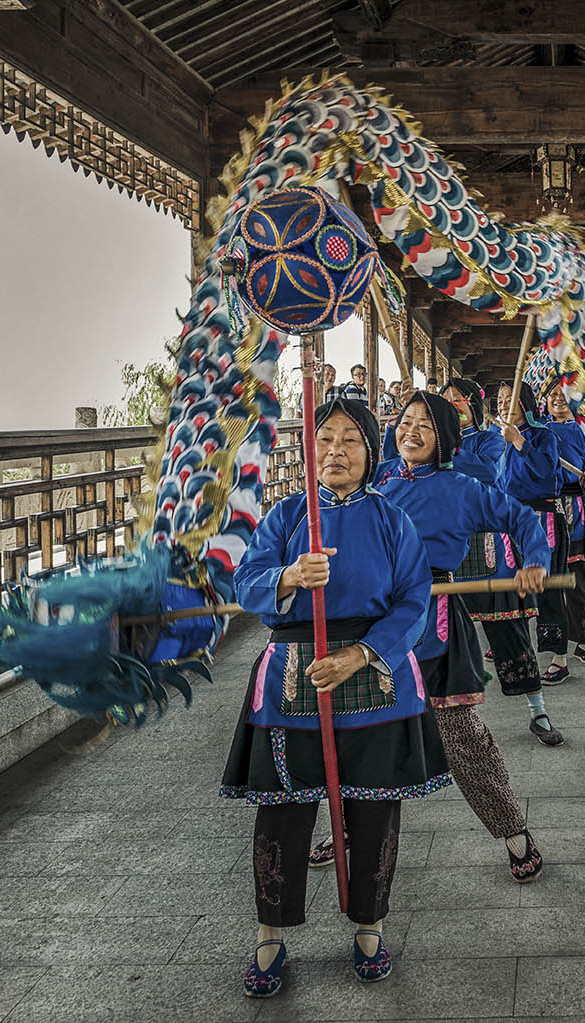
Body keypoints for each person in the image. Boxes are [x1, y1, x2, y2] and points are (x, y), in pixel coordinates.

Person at [222, 396, 450, 994]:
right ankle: (270, 937)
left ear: (371, 453)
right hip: (293, 679)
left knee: (373, 811)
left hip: (371, 673)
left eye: (350, 439)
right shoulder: (288, 515)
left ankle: (369, 926)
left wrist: (358, 654)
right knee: (284, 814)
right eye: (324, 439)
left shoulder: (390, 519)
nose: (336, 451)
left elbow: (413, 600)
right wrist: (290, 577)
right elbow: (247, 582)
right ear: (308, 449)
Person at [311, 390, 552, 881]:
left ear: (444, 437)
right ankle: (348, 828)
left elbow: (522, 518)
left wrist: (533, 560)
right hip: (365, 625)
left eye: (425, 424)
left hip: (433, 622)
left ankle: (514, 833)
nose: (410, 431)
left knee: (463, 740)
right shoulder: (374, 481)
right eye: (404, 421)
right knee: (357, 735)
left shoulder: (461, 488)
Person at [445, 377, 563, 746]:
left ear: (471, 405)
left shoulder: (490, 439)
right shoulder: (433, 447)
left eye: (456, 401)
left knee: (509, 630)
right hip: (448, 551)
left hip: (489, 550)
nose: (451, 407)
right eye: (443, 403)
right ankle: (440, 720)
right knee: (443, 637)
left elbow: (487, 474)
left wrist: (449, 454)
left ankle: (537, 710)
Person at [538, 384, 585, 683]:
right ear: (545, 402)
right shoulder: (538, 431)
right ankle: (553, 650)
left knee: (578, 577)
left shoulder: (581, 431)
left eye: (563, 395)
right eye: (553, 395)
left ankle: (583, 640)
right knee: (547, 581)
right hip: (546, 510)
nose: (559, 399)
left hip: (575, 509)